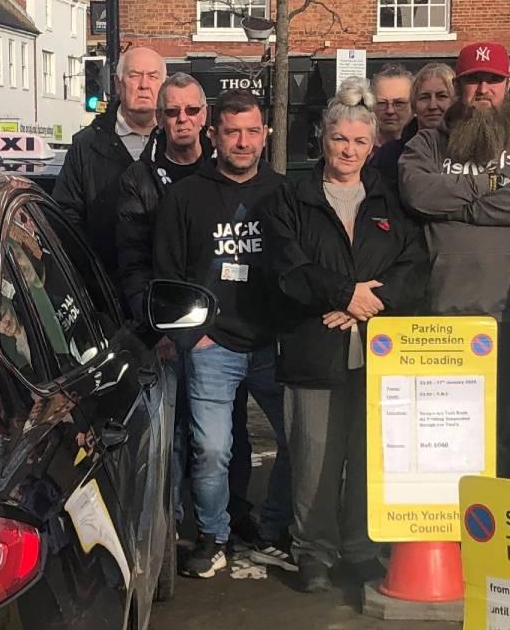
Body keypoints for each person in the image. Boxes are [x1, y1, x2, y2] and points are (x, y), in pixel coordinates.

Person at [264, 79, 427, 593]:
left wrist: (365, 306)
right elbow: (287, 268)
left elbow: (414, 266)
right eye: (340, 139)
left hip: (378, 352)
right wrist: (343, 294)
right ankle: (313, 551)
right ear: (322, 139)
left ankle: (359, 548)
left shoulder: (388, 201)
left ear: (373, 145)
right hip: (314, 348)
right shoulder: (293, 199)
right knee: (314, 458)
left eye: (360, 141)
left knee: (367, 457)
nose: (349, 150)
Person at [115, 75, 265, 551]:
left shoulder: (252, 177)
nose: (183, 120)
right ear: (160, 120)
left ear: (206, 120)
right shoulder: (141, 180)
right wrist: (169, 327)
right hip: (183, 329)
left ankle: (235, 512)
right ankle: (183, 526)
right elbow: (140, 262)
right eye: (173, 112)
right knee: (186, 439)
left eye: (191, 111)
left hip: (247, 333)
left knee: (228, 436)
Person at [399, 41, 510, 481]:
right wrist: (489, 191)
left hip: (505, 311)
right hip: (440, 308)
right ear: (459, 86)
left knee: (502, 428)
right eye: (473, 81)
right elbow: (419, 193)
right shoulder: (427, 142)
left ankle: (495, 527)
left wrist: (457, 205)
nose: (482, 90)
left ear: (508, 85)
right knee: (445, 429)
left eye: (492, 81)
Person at [154, 89, 292, 579]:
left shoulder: (285, 192)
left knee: (299, 438)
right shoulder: (185, 196)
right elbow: (168, 274)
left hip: (273, 345)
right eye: (232, 131)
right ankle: (213, 535)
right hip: (213, 346)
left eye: (252, 131)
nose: (242, 141)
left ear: (265, 134)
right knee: (212, 450)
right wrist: (197, 338)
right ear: (214, 134)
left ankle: (273, 528)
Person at [55, 47, 164, 271]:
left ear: (164, 84)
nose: (144, 85)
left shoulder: (180, 142)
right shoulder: (86, 145)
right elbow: (66, 217)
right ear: (118, 83)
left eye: (153, 76)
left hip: (168, 285)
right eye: (134, 75)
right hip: (105, 287)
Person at [372, 62, 454, 185]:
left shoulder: (472, 150)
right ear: (414, 104)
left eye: (441, 96)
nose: (432, 106)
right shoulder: (389, 155)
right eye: (424, 97)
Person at [371, 65, 416, 148]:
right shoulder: (359, 151)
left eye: (399, 103)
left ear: (414, 105)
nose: (390, 111)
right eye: (382, 103)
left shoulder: (425, 148)